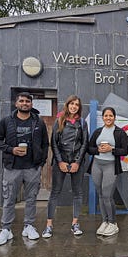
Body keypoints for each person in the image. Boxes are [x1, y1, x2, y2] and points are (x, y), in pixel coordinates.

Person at [0, 92, 49, 246]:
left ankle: (29, 226)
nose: (25, 103)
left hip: (32, 167)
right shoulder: (6, 121)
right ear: (16, 104)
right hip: (12, 167)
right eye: (22, 101)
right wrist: (11, 149)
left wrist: (41, 163)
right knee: (9, 198)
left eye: (28, 101)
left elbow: (45, 144)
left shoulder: (38, 122)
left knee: (31, 199)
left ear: (31, 104)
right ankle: (6, 229)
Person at [42, 95, 88, 238]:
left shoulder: (81, 122)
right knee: (55, 192)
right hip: (60, 161)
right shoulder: (59, 119)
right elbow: (53, 143)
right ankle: (48, 225)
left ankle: (75, 223)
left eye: (77, 104)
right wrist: (60, 161)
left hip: (76, 162)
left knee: (77, 193)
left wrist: (77, 162)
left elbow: (84, 142)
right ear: (67, 105)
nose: (74, 106)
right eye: (72, 103)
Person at [88, 107, 128, 237]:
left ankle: (113, 223)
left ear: (114, 117)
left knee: (107, 195)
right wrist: (98, 150)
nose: (108, 118)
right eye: (106, 116)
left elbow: (125, 151)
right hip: (97, 164)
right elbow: (90, 148)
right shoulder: (98, 131)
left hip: (111, 166)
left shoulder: (120, 132)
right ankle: (104, 221)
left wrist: (112, 149)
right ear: (103, 117)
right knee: (100, 194)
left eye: (111, 116)